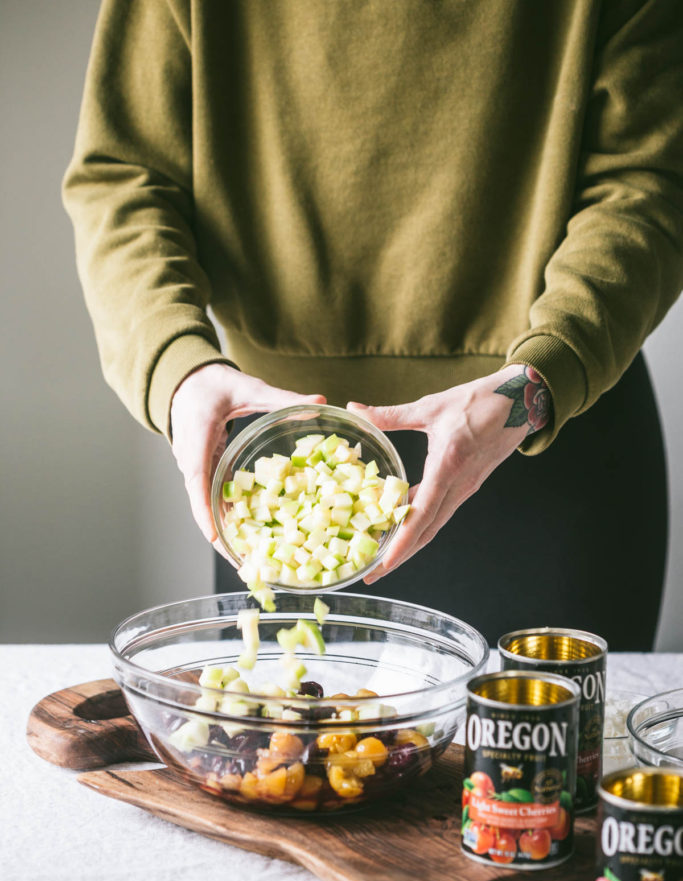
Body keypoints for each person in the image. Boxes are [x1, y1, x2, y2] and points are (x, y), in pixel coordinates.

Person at [63, 0, 682, 648]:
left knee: (572, 749)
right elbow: (125, 176)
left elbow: (648, 182)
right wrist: (178, 369)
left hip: (539, 425)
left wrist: (541, 377)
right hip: (280, 472)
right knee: (284, 741)